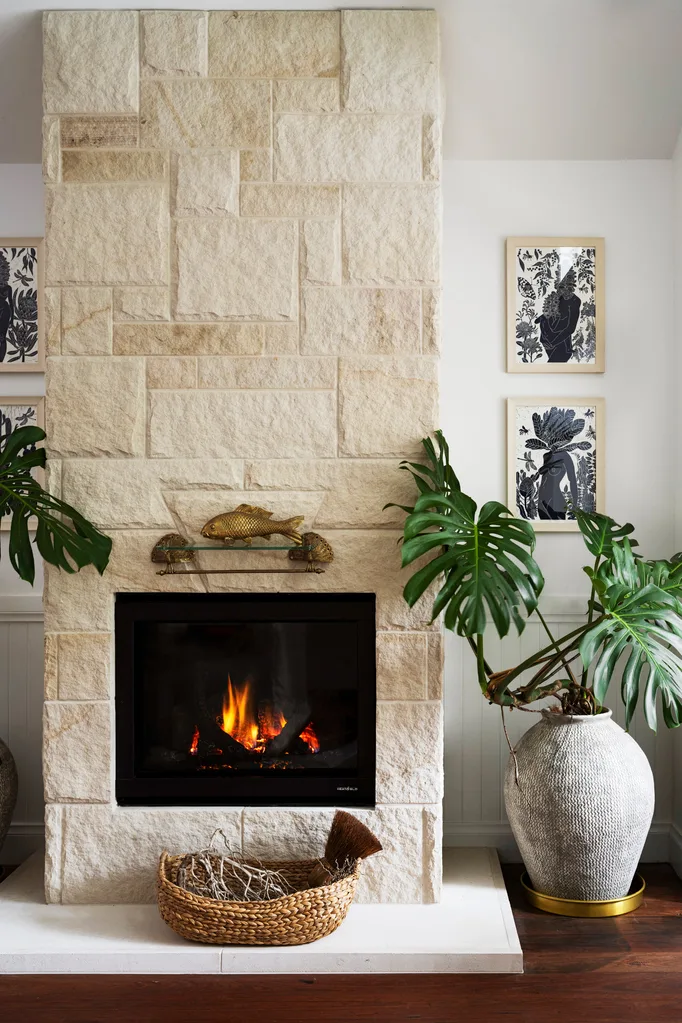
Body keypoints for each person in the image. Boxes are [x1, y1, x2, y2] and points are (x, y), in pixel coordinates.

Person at [535, 267, 581, 362]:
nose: (561, 290)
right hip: (547, 341)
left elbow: (570, 328)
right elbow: (549, 314)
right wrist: (541, 319)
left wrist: (554, 342)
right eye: (560, 286)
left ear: (570, 285)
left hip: (560, 343)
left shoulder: (574, 301)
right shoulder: (557, 297)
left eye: (565, 286)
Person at [0, 254, 14, 364]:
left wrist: (12, 320)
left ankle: (1, 360)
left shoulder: (8, 287)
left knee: (2, 337)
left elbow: (11, 303)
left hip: (5, 311)